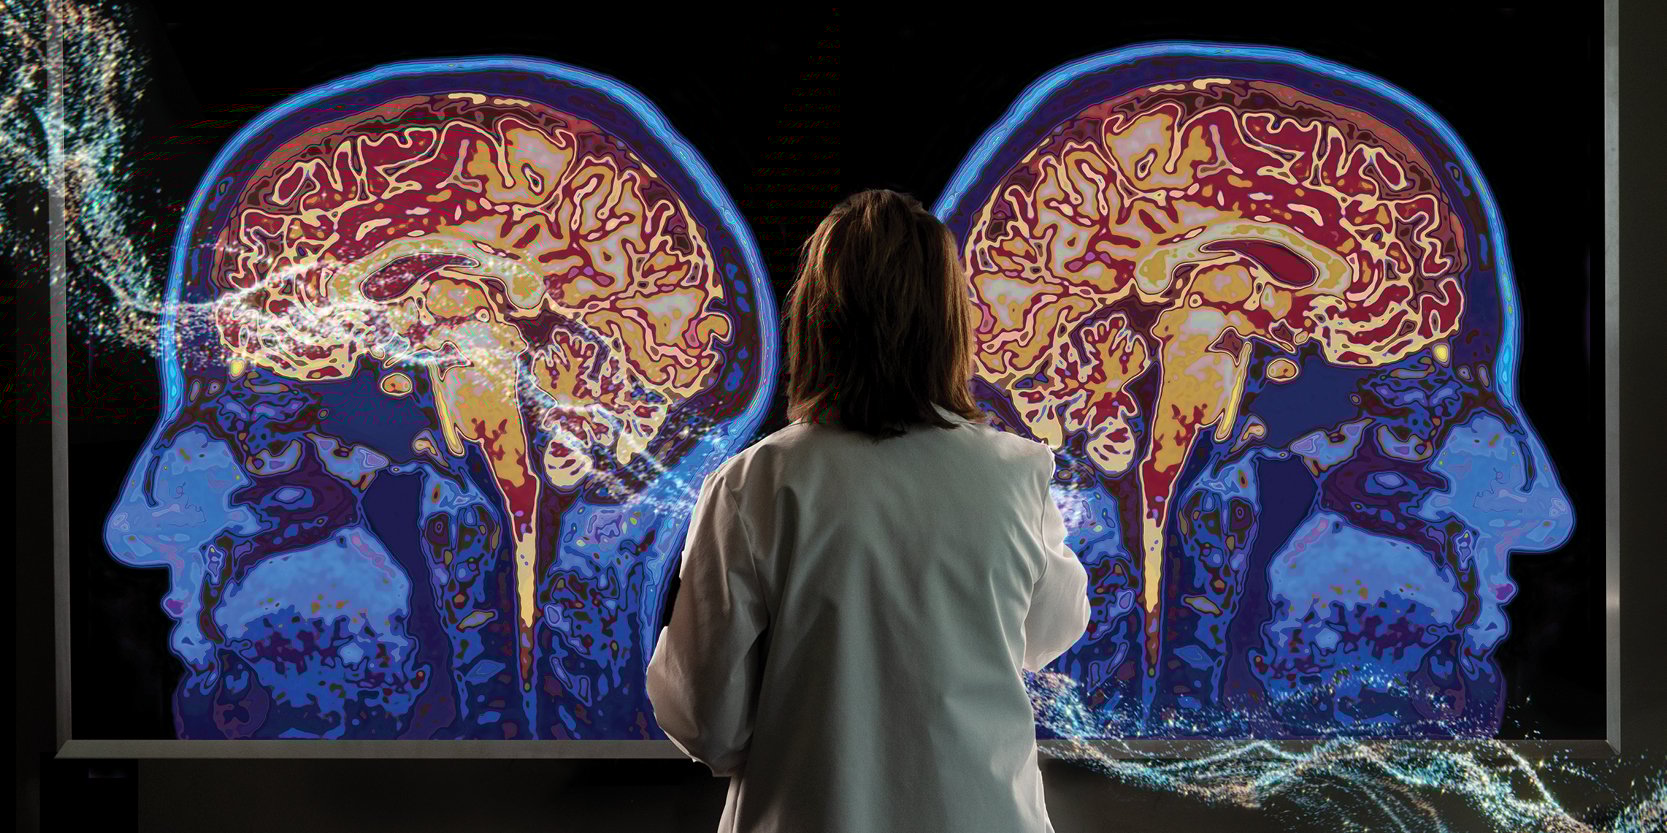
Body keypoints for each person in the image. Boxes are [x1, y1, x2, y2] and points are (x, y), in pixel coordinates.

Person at [645, 188, 1092, 832]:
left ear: (814, 320)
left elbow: (705, 721)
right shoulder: (1017, 472)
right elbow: (1050, 629)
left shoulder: (752, 483)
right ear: (951, 322)